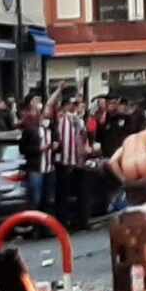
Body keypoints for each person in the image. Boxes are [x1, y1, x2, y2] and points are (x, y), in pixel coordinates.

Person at [53, 95, 91, 231]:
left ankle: (81, 221)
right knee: (63, 194)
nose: (76, 107)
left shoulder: (78, 120)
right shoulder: (61, 119)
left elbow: (83, 137)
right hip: (65, 161)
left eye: (79, 104)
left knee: (80, 192)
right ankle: (64, 222)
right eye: (74, 104)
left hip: (78, 160)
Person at [20, 94, 55, 215]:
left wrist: (55, 146)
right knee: (36, 199)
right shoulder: (30, 129)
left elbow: (56, 142)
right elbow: (23, 149)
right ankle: (35, 228)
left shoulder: (49, 129)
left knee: (49, 199)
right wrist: (39, 149)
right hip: (36, 168)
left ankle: (46, 227)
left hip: (49, 168)